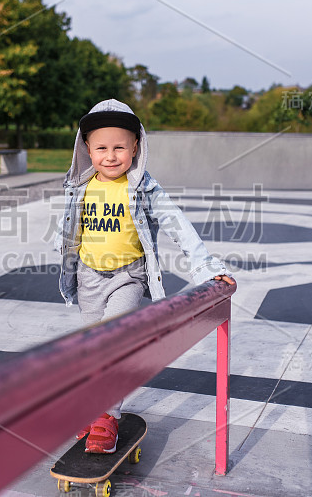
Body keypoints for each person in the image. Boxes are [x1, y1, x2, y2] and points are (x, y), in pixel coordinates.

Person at [54, 98, 235, 454]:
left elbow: (178, 225)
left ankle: (107, 416)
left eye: (120, 147)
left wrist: (208, 268)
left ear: (136, 147)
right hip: (89, 279)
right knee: (92, 350)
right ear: (86, 148)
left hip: (128, 278)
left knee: (113, 345)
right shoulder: (81, 186)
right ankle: (93, 408)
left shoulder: (143, 187)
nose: (110, 156)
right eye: (101, 147)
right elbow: (69, 229)